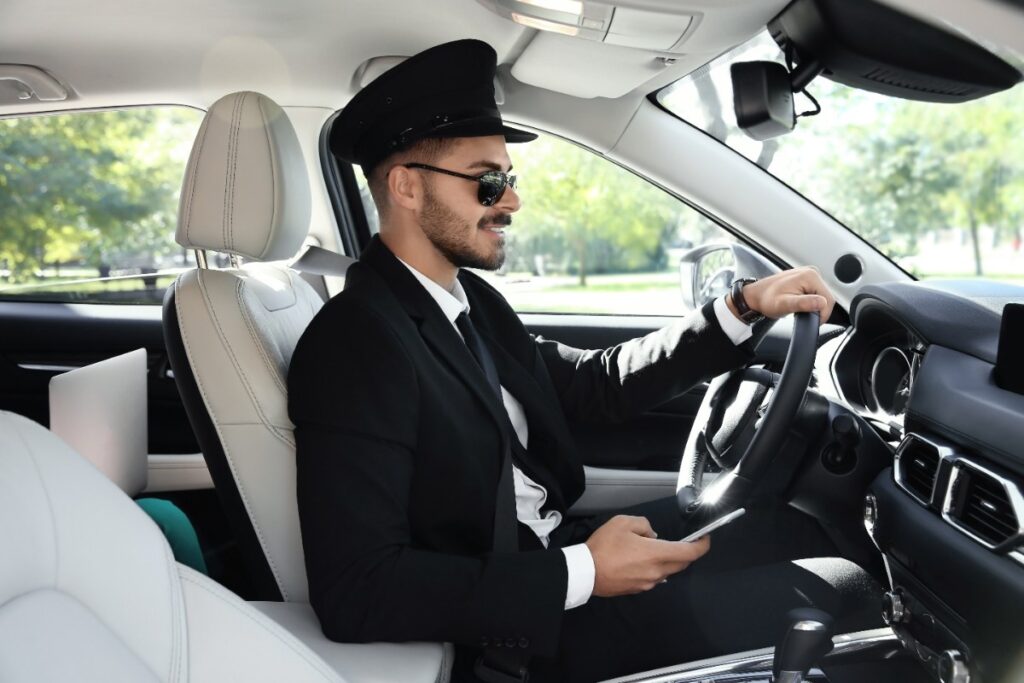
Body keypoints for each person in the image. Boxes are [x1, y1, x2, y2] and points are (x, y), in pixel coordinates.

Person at [288, 39, 880, 683]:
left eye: (508, 180)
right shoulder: (355, 343)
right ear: (405, 186)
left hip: (556, 553)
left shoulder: (466, 300)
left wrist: (741, 307)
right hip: (521, 634)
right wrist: (584, 573)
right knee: (846, 593)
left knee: (793, 527)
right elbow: (358, 592)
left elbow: (594, 384)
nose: (510, 201)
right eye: (489, 180)